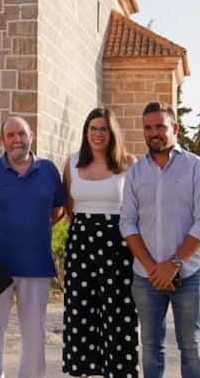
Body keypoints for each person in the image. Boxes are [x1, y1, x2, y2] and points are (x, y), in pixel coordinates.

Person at [120, 102, 200, 378]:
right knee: (150, 346)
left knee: (191, 347)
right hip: (146, 276)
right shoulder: (136, 173)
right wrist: (153, 267)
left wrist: (173, 264)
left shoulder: (197, 168)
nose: (154, 133)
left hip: (190, 274)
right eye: (148, 128)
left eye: (160, 127)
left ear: (174, 128)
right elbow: (127, 222)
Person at [0, 116, 66, 378]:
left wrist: (35, 228)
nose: (16, 140)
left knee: (35, 335)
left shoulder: (49, 170)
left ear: (31, 135)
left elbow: (58, 210)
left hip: (36, 265)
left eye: (21, 134)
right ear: (2, 140)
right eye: (10, 135)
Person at [61, 107, 138, 378]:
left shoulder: (128, 162)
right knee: (80, 309)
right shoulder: (72, 163)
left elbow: (137, 207)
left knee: (117, 310)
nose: (97, 134)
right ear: (86, 132)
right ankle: (82, 371)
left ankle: (118, 372)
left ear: (112, 132)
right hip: (81, 243)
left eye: (103, 128)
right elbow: (70, 208)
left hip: (118, 245)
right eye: (92, 128)